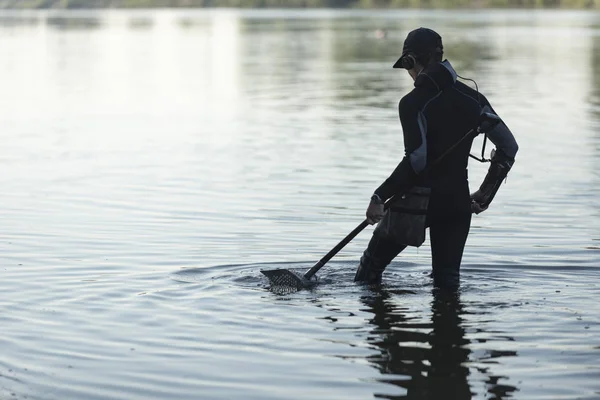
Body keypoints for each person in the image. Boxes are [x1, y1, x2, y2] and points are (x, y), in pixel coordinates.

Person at [354, 27, 519, 289]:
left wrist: (379, 196)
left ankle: (381, 323)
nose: (408, 75)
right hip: (457, 204)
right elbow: (509, 147)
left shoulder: (412, 103)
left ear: (410, 61)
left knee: (369, 270)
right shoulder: (474, 99)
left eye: (407, 67)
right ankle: (448, 326)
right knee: (446, 283)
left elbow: (416, 161)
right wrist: (486, 192)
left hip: (418, 202)